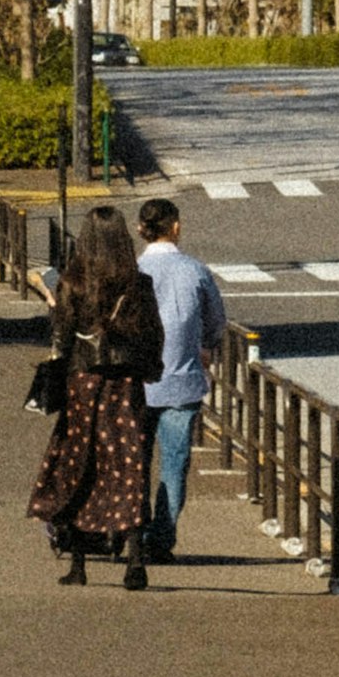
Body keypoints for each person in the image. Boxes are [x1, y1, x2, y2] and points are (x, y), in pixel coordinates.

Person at [27, 206, 163, 590]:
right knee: (128, 466)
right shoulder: (138, 284)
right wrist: (150, 370)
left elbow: (63, 337)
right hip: (125, 385)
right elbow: (154, 335)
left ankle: (79, 563)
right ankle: (135, 560)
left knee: (80, 463)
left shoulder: (74, 282)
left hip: (82, 383)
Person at [137, 195, 227, 564]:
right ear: (174, 227)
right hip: (183, 379)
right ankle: (161, 539)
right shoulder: (195, 270)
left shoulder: (132, 270)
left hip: (138, 382)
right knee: (174, 464)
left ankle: (134, 534)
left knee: (134, 462)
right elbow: (216, 322)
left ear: (141, 229)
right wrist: (206, 346)